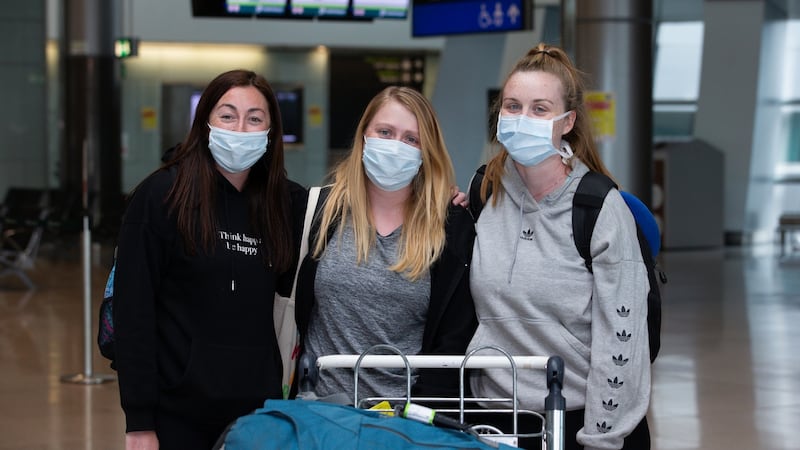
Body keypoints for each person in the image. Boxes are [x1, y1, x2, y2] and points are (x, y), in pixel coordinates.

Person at [467, 43, 651, 449]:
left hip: (573, 418)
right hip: (489, 420)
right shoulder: (485, 192)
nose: (521, 119)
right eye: (512, 107)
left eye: (539, 109)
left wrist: (601, 439)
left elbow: (622, 342)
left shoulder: (600, 208)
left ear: (566, 122)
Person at [113, 69, 307, 450]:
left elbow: (360, 214)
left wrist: (447, 203)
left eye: (255, 118)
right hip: (176, 414)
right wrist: (138, 421)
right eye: (227, 114)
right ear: (205, 123)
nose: (240, 127)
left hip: (260, 415)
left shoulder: (287, 203)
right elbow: (132, 313)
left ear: (270, 131)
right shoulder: (161, 196)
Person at [292, 86, 477, 403]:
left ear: (425, 151)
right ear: (365, 136)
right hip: (320, 416)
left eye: (411, 139)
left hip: (402, 424)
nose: (396, 146)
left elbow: (452, 339)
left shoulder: (450, 227)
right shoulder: (320, 211)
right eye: (385, 132)